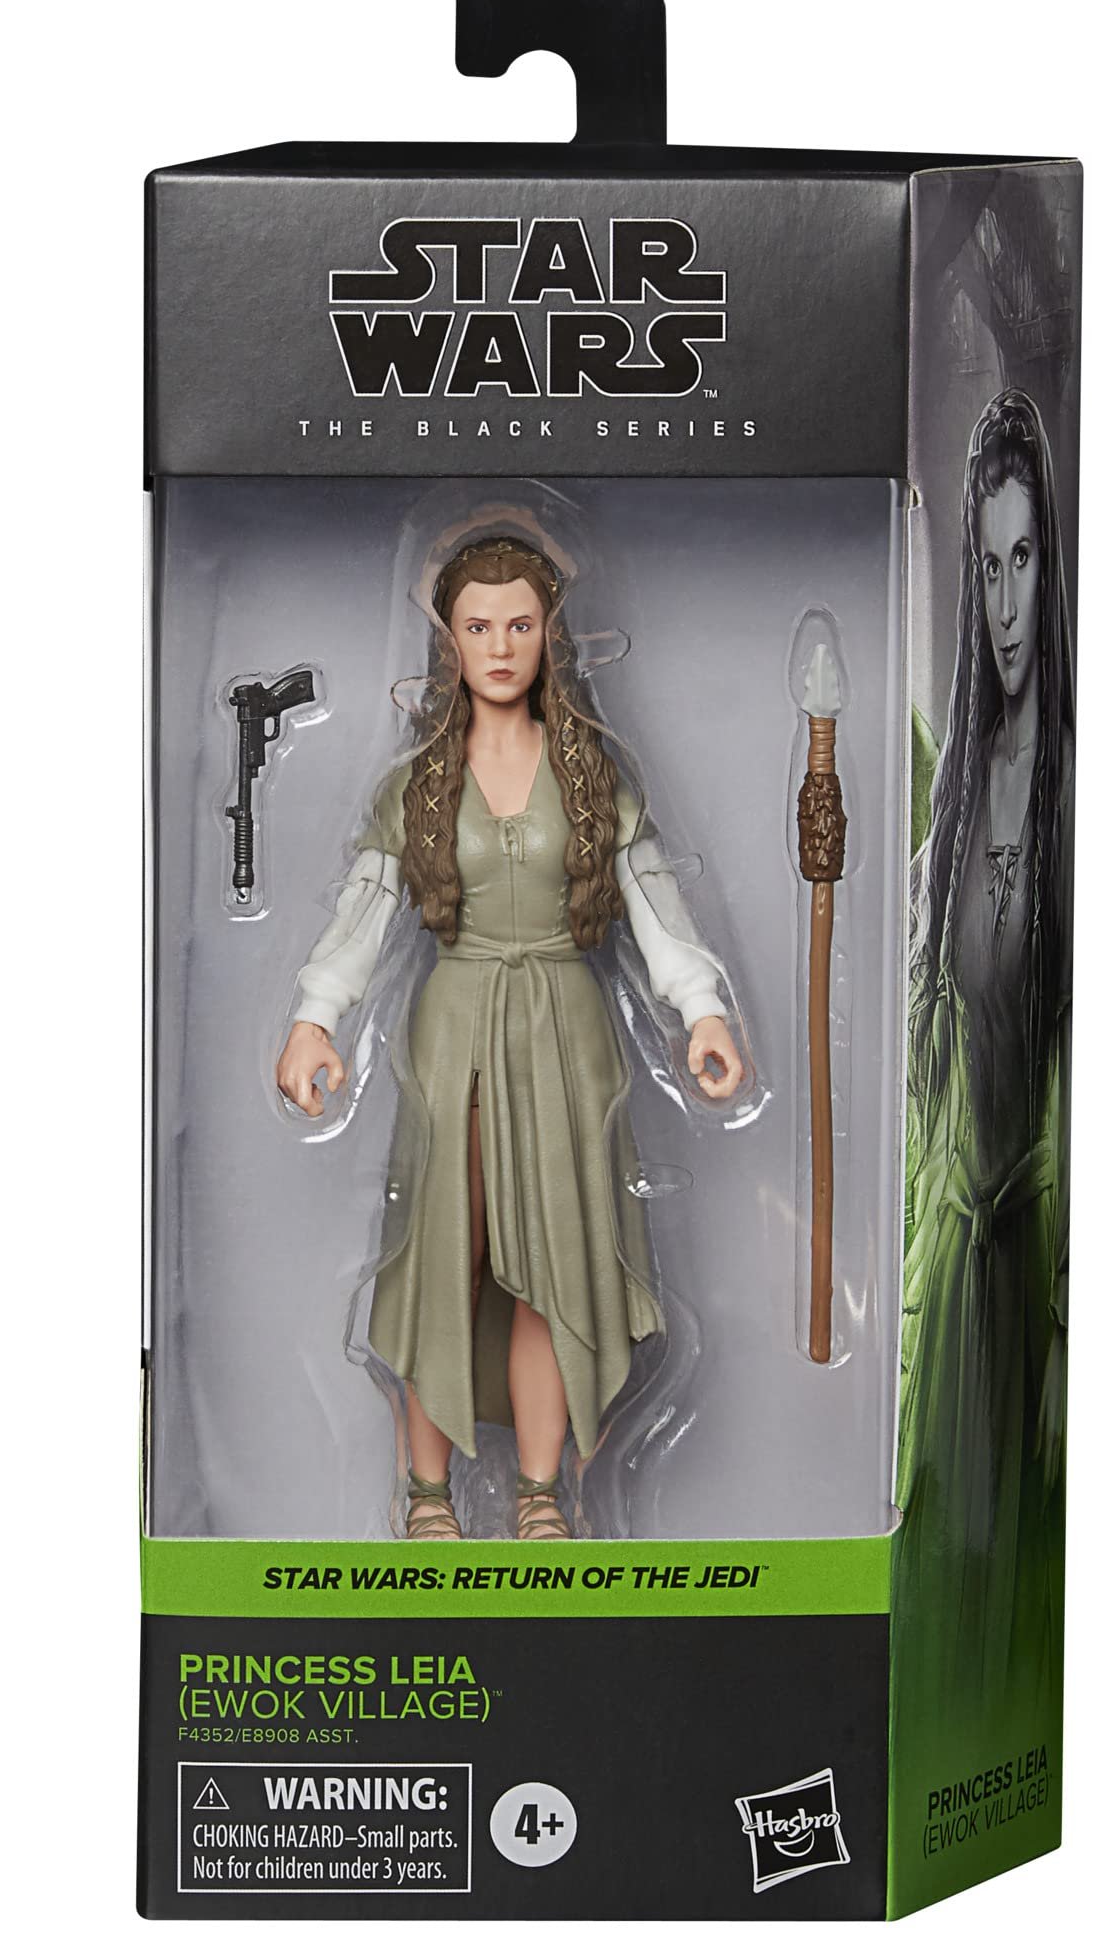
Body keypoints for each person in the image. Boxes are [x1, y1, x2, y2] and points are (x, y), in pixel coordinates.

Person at [274, 535, 744, 1541]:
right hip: (454, 1036)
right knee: (447, 1260)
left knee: (553, 1264)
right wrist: (316, 1019)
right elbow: (362, 913)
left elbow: (654, 901)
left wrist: (700, 1008)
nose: (498, 646)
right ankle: (427, 1495)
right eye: (478, 626)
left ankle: (539, 1494)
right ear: (448, 639)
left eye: (519, 624)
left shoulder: (591, 776)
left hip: (569, 1034)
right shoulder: (418, 785)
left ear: (549, 636)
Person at [899, 389, 1074, 1729]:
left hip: (1040, 1264)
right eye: (988, 565)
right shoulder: (952, 793)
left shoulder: (1075, 782)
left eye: (1025, 560)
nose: (1006, 604)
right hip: (954, 1259)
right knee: (937, 1608)